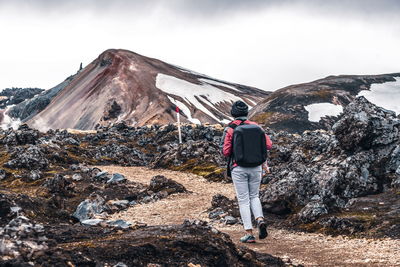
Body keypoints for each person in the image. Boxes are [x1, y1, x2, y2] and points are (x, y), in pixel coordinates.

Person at [221, 100, 272, 243]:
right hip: (256, 167)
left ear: (233, 113)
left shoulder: (230, 128)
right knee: (254, 196)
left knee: (243, 200)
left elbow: (225, 152)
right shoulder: (257, 127)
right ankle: (260, 220)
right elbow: (268, 145)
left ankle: (249, 233)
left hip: (239, 167)